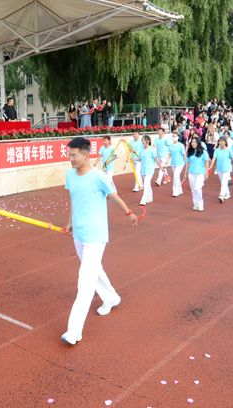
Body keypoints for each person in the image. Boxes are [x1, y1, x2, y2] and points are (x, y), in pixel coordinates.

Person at [61, 137, 138, 345]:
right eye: (69, 155)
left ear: (86, 155)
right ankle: (111, 297)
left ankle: (74, 331)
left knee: (85, 280)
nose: (70, 159)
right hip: (79, 234)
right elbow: (73, 199)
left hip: (96, 236)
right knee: (95, 270)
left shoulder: (98, 177)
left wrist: (129, 212)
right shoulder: (70, 175)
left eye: (74, 155)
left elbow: (113, 196)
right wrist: (70, 222)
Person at [183, 135, 209, 211]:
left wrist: (206, 172)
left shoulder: (203, 152)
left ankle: (200, 204)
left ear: (198, 143)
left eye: (194, 142)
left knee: (197, 188)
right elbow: (187, 164)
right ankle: (195, 204)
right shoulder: (190, 152)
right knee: (193, 189)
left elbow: (206, 161)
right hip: (191, 173)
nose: (193, 143)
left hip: (200, 173)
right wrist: (185, 173)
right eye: (192, 142)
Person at [209, 136, 233, 203]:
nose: (221, 142)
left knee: (224, 182)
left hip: (227, 169)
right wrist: (210, 166)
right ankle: (227, 194)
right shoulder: (217, 150)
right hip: (219, 168)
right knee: (223, 182)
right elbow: (214, 158)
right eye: (220, 141)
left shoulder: (228, 150)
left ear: (225, 142)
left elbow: (232, 158)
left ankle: (221, 195)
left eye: (222, 141)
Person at [138, 135, 160, 206]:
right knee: (147, 184)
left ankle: (144, 199)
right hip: (143, 170)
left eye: (144, 140)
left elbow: (156, 159)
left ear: (148, 141)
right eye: (142, 140)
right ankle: (150, 198)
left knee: (146, 184)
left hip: (150, 170)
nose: (143, 141)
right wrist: (133, 159)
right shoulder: (141, 150)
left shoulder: (152, 150)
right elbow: (139, 158)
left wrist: (161, 166)